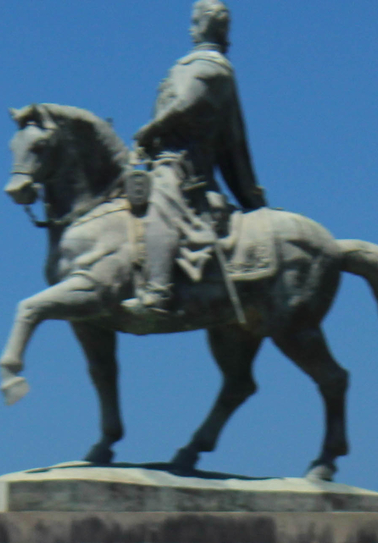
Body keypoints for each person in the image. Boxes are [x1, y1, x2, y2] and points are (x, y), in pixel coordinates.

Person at [129, 1, 265, 318]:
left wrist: (151, 128)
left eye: (195, 22)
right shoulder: (190, 64)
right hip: (162, 156)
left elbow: (186, 104)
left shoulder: (212, 67)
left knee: (162, 204)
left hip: (183, 163)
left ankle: (158, 292)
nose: (191, 28)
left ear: (210, 25)